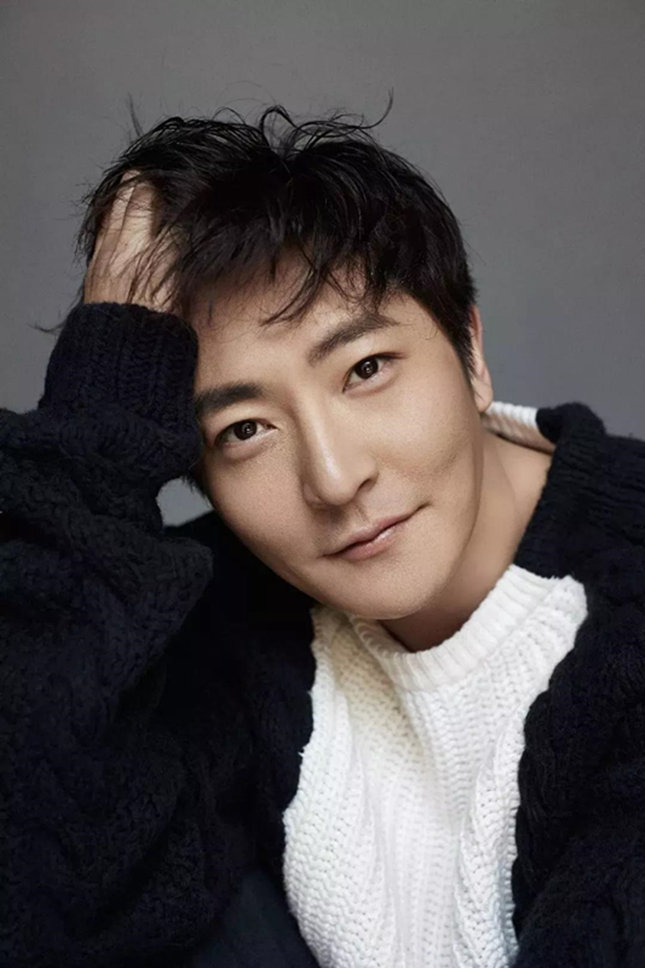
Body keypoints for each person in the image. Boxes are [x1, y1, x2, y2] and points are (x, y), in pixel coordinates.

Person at [2, 102, 645, 968]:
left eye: (365, 369)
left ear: (469, 351)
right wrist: (92, 445)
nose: (335, 480)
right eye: (245, 431)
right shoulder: (222, 619)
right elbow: (47, 910)